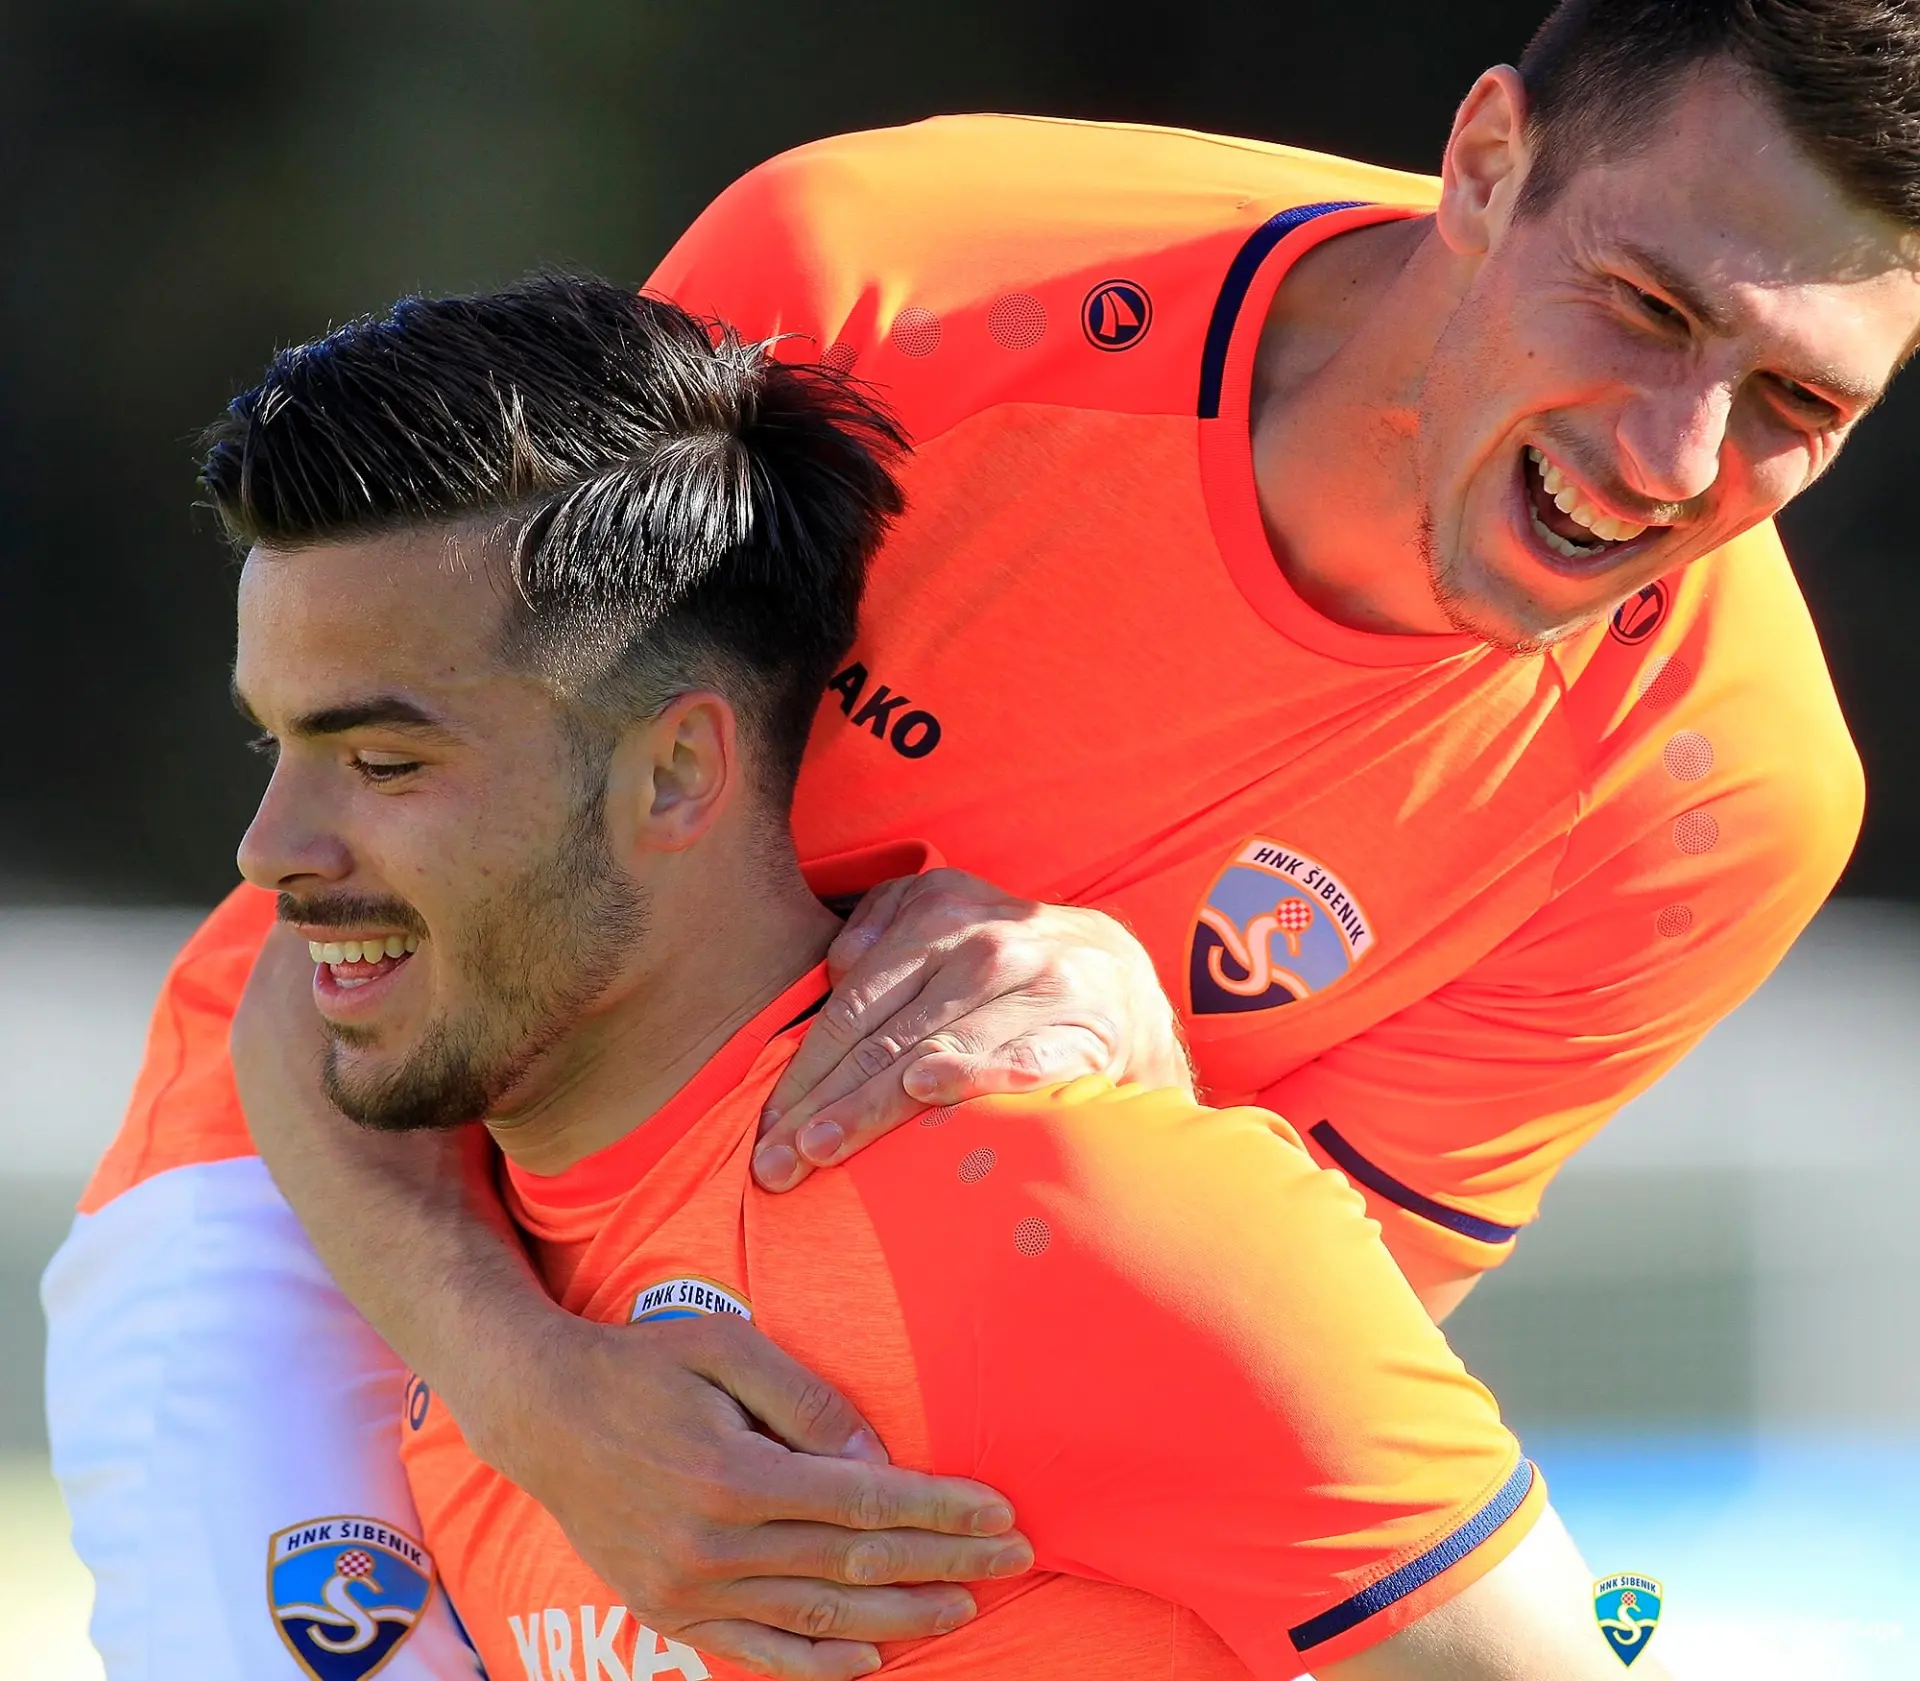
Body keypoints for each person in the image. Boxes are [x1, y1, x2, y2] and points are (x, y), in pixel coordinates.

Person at [43, 0, 1920, 1675]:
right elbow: (391, 876)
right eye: (1648, 309)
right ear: (1488, 163)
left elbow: (1281, 1355)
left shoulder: (1725, 802)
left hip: (840, 1386)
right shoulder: (889, 275)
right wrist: (530, 1392)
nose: (1676, 459)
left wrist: (1149, 1064)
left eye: (1798, 403)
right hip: (353, 1181)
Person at [223, 271, 1657, 1681]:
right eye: (273, 747)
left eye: (384, 763)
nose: (266, 849)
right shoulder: (458, 1313)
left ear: (674, 773)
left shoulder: (1058, 1207)